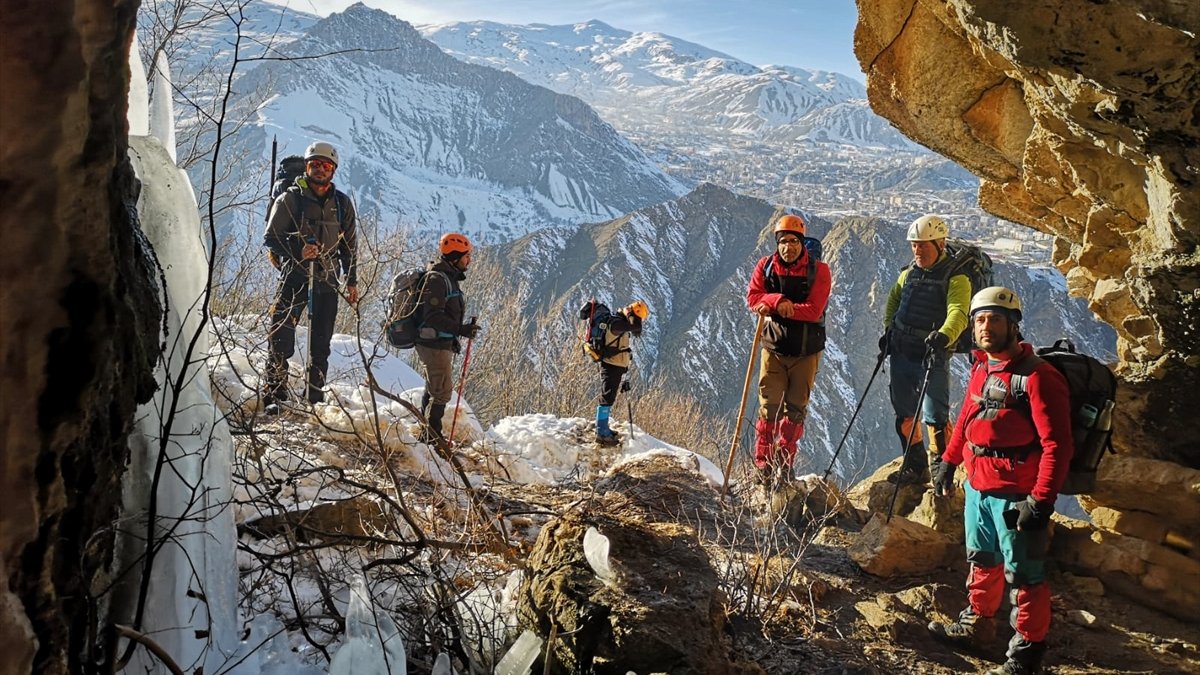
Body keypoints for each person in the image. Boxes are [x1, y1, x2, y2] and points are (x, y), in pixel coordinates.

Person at [927, 287, 1073, 675]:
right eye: (979, 319)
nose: (986, 326)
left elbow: (1058, 445)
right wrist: (948, 460)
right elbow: (966, 422)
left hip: (1017, 495)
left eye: (994, 319)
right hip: (978, 488)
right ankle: (977, 625)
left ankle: (1026, 655)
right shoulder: (981, 369)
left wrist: (1040, 502)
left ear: (1013, 325)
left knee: (1025, 575)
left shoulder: (1039, 378)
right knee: (982, 559)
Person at [263, 141, 357, 408]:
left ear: (333, 170)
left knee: (321, 343)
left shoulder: (342, 204)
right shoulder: (290, 198)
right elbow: (271, 238)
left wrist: (352, 281)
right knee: (281, 335)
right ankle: (275, 393)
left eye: (325, 166)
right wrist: (298, 250)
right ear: (306, 167)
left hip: (327, 281)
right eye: (315, 164)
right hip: (294, 277)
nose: (320, 170)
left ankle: (315, 396)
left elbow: (350, 245)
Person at [880, 214, 970, 484]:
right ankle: (915, 465)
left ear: (940, 244)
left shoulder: (957, 277)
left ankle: (942, 472)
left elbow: (958, 313)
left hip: (933, 354)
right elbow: (894, 301)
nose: (917, 250)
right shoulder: (909, 274)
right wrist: (889, 330)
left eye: (923, 245)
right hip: (902, 350)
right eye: (914, 245)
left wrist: (944, 336)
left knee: (936, 417)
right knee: (905, 414)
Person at [746, 213, 832, 486]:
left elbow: (815, 309)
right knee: (768, 408)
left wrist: (783, 308)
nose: (788, 247)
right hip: (774, 348)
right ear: (777, 243)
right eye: (783, 241)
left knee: (795, 410)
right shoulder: (765, 266)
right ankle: (764, 465)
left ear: (802, 243)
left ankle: (784, 464)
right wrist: (777, 299)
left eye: (794, 241)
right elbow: (753, 297)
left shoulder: (820, 271)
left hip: (806, 353)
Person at [414, 232, 480, 442]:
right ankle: (431, 438)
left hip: (438, 342)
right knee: (442, 392)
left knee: (434, 387)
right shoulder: (437, 280)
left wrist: (461, 328)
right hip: (433, 344)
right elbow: (432, 316)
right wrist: (460, 329)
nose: (469, 260)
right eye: (466, 256)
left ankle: (427, 434)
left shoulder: (447, 278)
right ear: (454, 256)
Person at [591, 301, 648, 446]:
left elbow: (634, 331)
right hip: (611, 365)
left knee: (609, 395)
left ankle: (603, 428)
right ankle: (601, 431)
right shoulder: (616, 324)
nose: (637, 321)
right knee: (607, 396)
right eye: (637, 317)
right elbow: (636, 327)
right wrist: (630, 313)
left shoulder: (619, 322)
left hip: (615, 365)